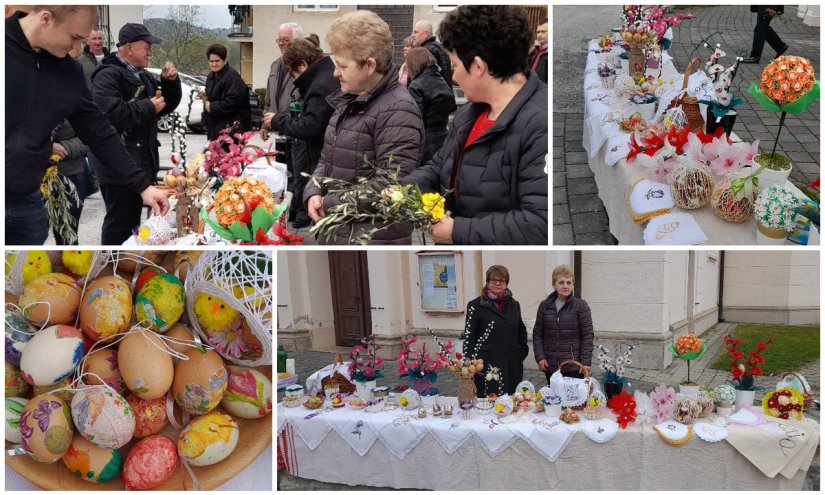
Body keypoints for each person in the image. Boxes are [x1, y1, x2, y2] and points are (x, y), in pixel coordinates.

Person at [6, 7, 169, 245]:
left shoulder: (67, 71)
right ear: (45, 19)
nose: (77, 49)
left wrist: (142, 186)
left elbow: (99, 131)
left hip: (27, 202)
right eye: (74, 38)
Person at [406, 5, 549, 245]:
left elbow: (538, 225)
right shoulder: (470, 113)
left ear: (479, 67)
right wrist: (401, 191)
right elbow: (439, 165)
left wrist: (457, 231)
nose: (453, 76)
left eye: (455, 65)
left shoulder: (539, 123)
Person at [303, 10, 424, 245]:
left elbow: (390, 185)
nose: (335, 72)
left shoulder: (398, 109)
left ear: (370, 65)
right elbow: (326, 159)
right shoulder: (350, 98)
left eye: (342, 65)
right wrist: (313, 191)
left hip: (371, 238)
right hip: (340, 231)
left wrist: (327, 203)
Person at [91, 22, 181, 245]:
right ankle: (112, 266)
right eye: (146, 46)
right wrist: (147, 107)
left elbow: (164, 106)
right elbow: (110, 114)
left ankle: (129, 261)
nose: (150, 50)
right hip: (118, 167)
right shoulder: (107, 76)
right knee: (119, 224)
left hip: (141, 162)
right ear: (129, 48)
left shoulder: (144, 76)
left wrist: (171, 84)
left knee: (134, 224)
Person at [264, 38, 338, 229]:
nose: (294, 80)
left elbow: (311, 127)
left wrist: (277, 120)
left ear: (304, 64)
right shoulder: (326, 73)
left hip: (325, 158)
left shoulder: (320, 85)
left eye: (293, 73)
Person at [463, 265, 528, 397]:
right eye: (494, 280)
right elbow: (469, 337)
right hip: (486, 363)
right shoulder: (475, 305)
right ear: (487, 282)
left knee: (511, 399)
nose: (497, 283)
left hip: (511, 363)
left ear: (506, 284)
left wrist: (520, 352)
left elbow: (521, 331)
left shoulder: (514, 305)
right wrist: (469, 363)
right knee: (488, 399)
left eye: (501, 280)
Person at [533, 265, 594, 383]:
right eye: (561, 282)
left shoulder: (581, 306)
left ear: (573, 285)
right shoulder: (544, 306)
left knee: (572, 400)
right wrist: (540, 357)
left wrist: (585, 362)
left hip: (574, 366)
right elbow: (538, 334)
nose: (565, 286)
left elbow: (587, 335)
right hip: (551, 366)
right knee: (554, 398)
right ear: (554, 285)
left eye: (569, 282)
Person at [406, 47, 456, 165]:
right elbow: (452, 106)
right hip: (443, 137)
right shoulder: (441, 80)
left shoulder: (416, 85)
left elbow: (415, 118)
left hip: (426, 142)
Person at [202, 43, 251, 141]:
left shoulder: (232, 77)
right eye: (211, 61)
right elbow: (209, 99)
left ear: (225, 60)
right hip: (215, 130)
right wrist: (205, 120)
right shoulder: (211, 77)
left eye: (217, 61)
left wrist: (211, 107)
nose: (214, 64)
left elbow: (232, 102)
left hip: (231, 132)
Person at [412, 19, 453, 88]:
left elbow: (426, 81)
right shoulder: (439, 47)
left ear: (426, 34)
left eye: (415, 32)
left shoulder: (426, 51)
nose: (412, 35)